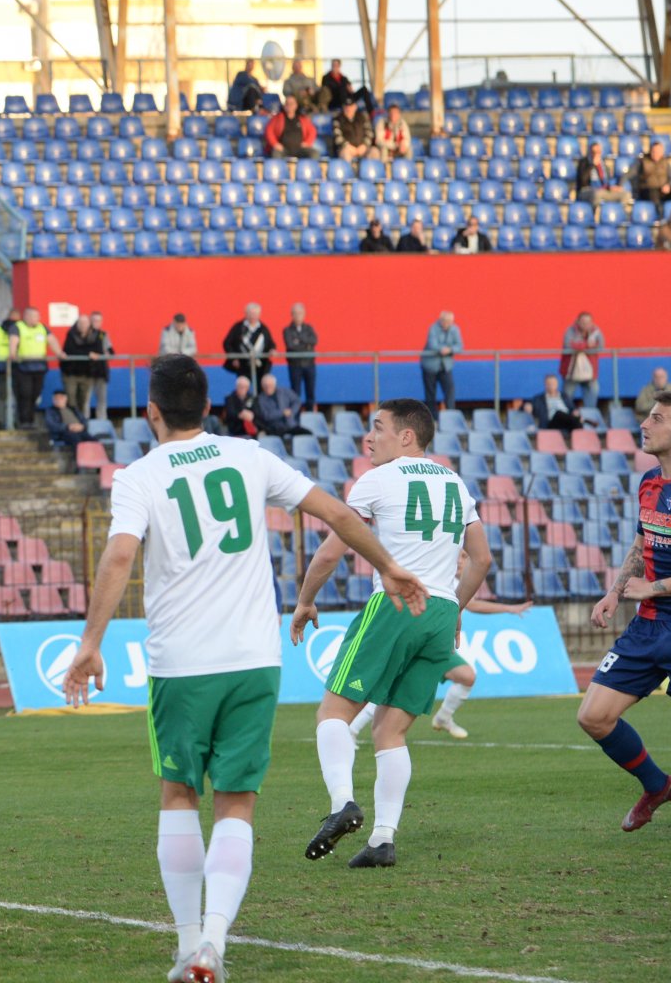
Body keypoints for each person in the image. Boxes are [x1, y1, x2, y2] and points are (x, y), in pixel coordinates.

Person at [62, 356, 424, 983]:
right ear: (208, 408)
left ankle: (186, 948)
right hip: (255, 661)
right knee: (237, 803)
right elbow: (338, 514)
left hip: (181, 663)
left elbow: (120, 555)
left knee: (179, 793)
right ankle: (214, 944)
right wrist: (389, 566)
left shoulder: (139, 476)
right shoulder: (249, 456)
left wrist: (91, 641)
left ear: (151, 412)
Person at [291, 400, 491, 869]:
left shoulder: (379, 479)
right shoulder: (455, 482)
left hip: (397, 603)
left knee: (333, 712)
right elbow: (481, 559)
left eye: (378, 428)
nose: (369, 437)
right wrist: (455, 609)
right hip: (440, 610)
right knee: (390, 730)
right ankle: (382, 840)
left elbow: (330, 553)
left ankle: (342, 803)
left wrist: (305, 601)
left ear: (406, 436)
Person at [577, 392, 671, 832]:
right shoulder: (649, 481)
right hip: (648, 626)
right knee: (593, 716)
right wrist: (615, 591)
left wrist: (652, 588)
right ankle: (657, 785)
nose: (644, 424)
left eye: (657, 418)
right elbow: (642, 540)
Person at [345, 600, 535, 741]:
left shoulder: (455, 577)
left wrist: (509, 609)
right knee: (390, 691)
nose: (461, 562)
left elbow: (471, 603)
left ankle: (443, 718)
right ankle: (351, 731)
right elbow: (471, 603)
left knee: (467, 676)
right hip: (418, 638)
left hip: (437, 643)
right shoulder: (439, 571)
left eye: (464, 560)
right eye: (460, 560)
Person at [62, 313, 107, 428]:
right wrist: (88, 353)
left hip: (87, 373)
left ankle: (82, 423)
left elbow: (99, 351)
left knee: (84, 400)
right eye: (80, 323)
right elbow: (69, 350)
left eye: (85, 323)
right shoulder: (71, 334)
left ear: (89, 324)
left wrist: (90, 353)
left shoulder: (97, 335)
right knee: (71, 399)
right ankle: (72, 422)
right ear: (77, 324)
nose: (83, 325)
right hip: (71, 372)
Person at [12, 307, 52, 434]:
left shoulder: (42, 328)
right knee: (25, 394)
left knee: (35, 394)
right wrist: (12, 353)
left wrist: (60, 353)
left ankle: (31, 420)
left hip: (39, 368)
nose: (36, 319)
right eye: (34, 316)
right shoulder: (18, 327)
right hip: (23, 368)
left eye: (37, 316)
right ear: (26, 316)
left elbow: (52, 340)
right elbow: (13, 341)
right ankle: (24, 421)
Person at [222, 303, 275, 388]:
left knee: (261, 387)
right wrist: (233, 358)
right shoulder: (238, 327)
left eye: (255, 314)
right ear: (246, 314)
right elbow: (227, 343)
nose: (253, 316)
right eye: (251, 313)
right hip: (243, 365)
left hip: (260, 365)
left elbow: (271, 344)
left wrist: (272, 350)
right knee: (243, 387)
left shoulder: (263, 328)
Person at [561, 311, 604, 412]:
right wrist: (587, 345)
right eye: (583, 322)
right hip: (571, 371)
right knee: (567, 396)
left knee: (593, 391)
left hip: (590, 371)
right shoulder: (570, 331)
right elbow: (568, 345)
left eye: (588, 322)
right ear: (578, 321)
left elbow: (600, 346)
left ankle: (590, 415)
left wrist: (579, 346)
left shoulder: (596, 331)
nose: (586, 325)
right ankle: (568, 416)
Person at [421, 311, 462, 410]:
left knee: (450, 390)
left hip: (446, 366)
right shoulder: (433, 328)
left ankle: (450, 413)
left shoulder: (455, 329)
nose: (447, 323)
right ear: (440, 320)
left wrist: (450, 349)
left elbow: (459, 346)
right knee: (430, 393)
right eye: (445, 321)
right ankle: (432, 415)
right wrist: (442, 349)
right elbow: (432, 344)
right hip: (430, 366)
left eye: (450, 321)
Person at [0, 308, 21, 431]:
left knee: (1, 396)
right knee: (19, 395)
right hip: (17, 367)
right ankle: (17, 422)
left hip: (0, 367)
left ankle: (0, 422)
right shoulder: (20, 329)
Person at [283, 304, 318, 413]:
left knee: (310, 391)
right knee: (295, 392)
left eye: (300, 313)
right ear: (292, 315)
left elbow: (314, 341)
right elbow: (291, 345)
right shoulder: (287, 330)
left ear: (304, 315)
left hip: (309, 364)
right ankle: (296, 414)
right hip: (295, 365)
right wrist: (306, 345)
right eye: (296, 313)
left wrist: (299, 340)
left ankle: (310, 414)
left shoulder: (309, 328)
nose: (298, 316)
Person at [88, 310, 114, 419]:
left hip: (101, 371)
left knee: (102, 400)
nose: (96, 322)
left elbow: (111, 351)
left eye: (98, 320)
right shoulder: (84, 334)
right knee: (85, 400)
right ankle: (84, 422)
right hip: (86, 372)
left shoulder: (103, 334)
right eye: (94, 320)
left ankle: (102, 421)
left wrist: (104, 354)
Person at [635, 141, 671, 206]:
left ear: (662, 152)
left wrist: (668, 185)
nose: (656, 153)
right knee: (653, 193)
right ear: (650, 151)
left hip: (663, 190)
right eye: (654, 151)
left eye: (658, 151)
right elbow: (632, 174)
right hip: (648, 189)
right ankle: (658, 211)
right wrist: (621, 184)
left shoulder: (666, 162)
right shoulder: (643, 162)